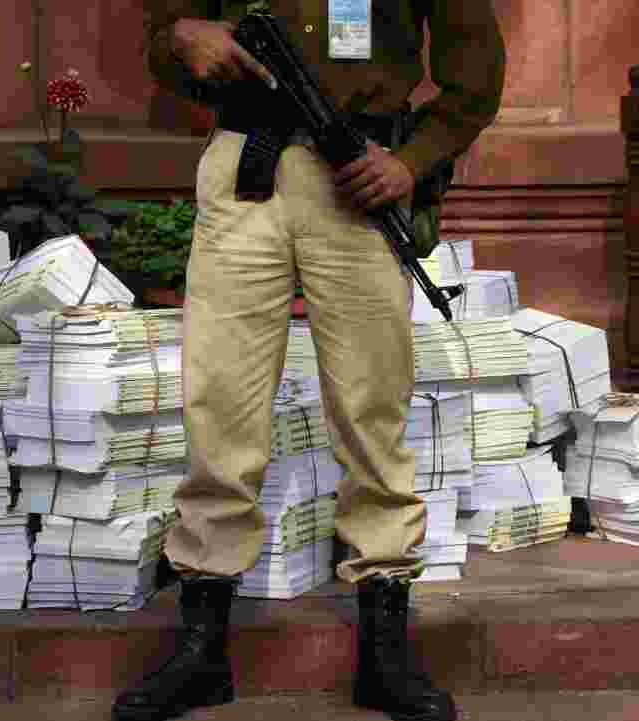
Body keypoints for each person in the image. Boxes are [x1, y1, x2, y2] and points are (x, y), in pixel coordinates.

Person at [115, 3, 506, 721]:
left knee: (371, 403)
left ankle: (384, 650)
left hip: (359, 173)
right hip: (243, 165)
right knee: (220, 397)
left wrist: (411, 163)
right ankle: (203, 646)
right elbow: (168, 24)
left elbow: (475, 70)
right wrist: (184, 39)